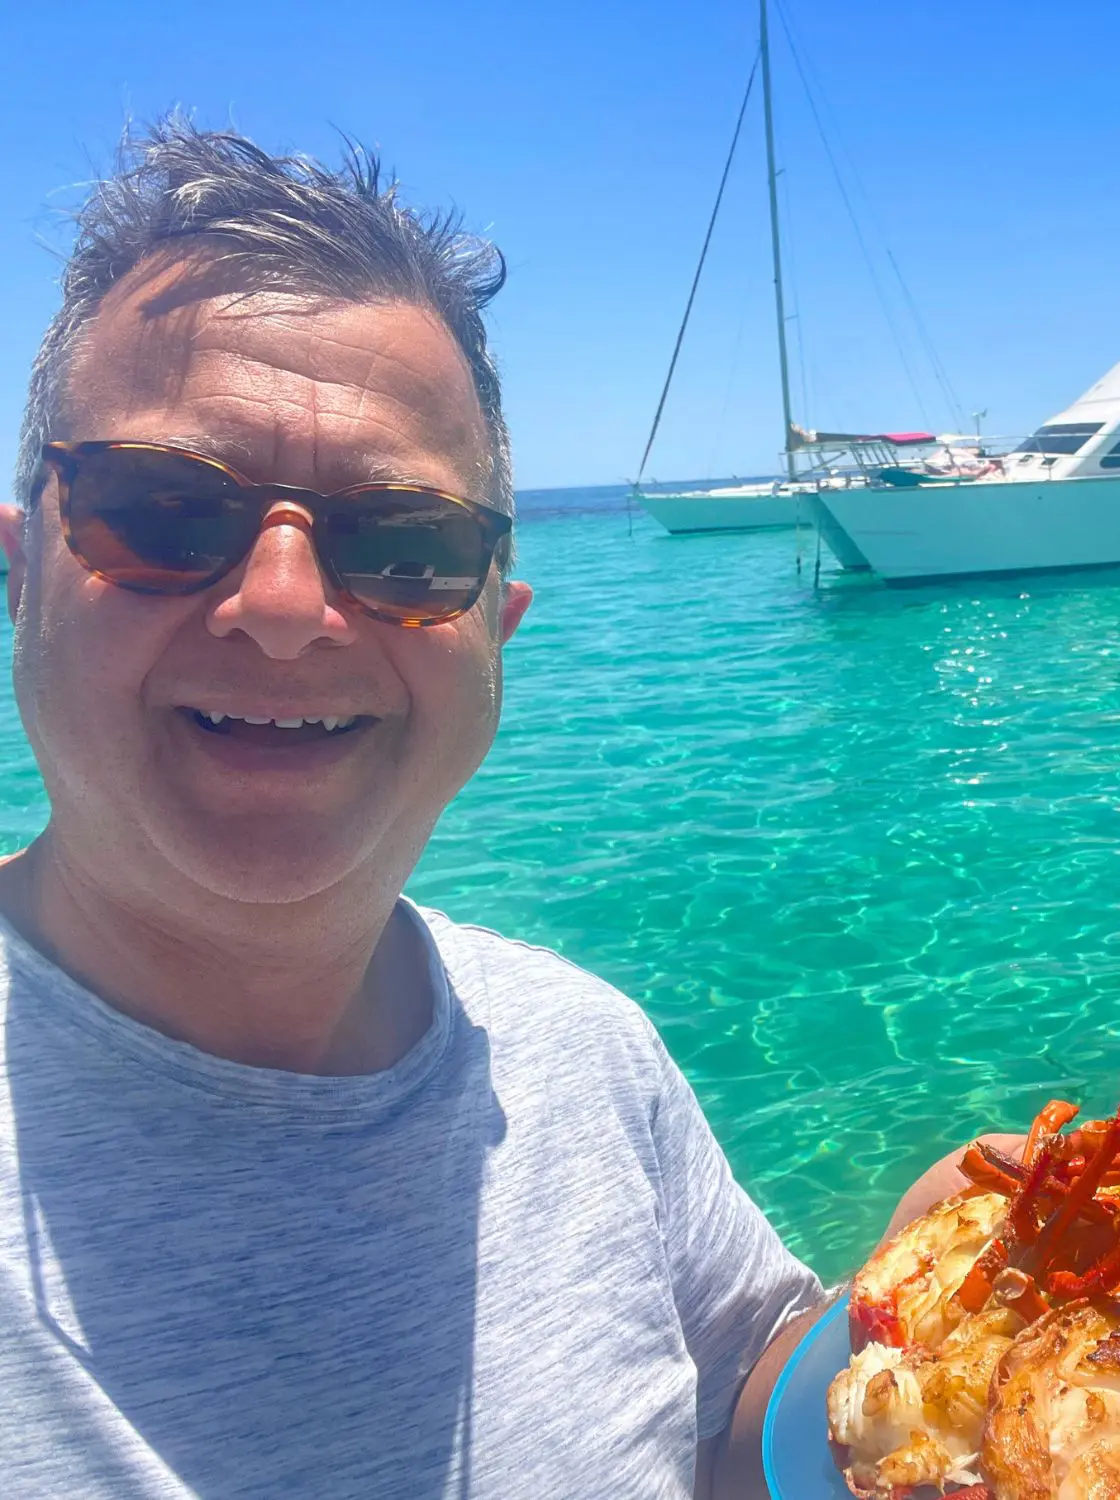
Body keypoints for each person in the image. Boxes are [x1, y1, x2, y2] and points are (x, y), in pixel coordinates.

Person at [0, 119, 966, 1499]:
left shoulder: (583, 1050)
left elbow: (731, 1430)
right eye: (163, 512)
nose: (283, 607)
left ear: (493, 634)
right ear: (22, 575)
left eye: (405, 543)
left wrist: (936, 1303)